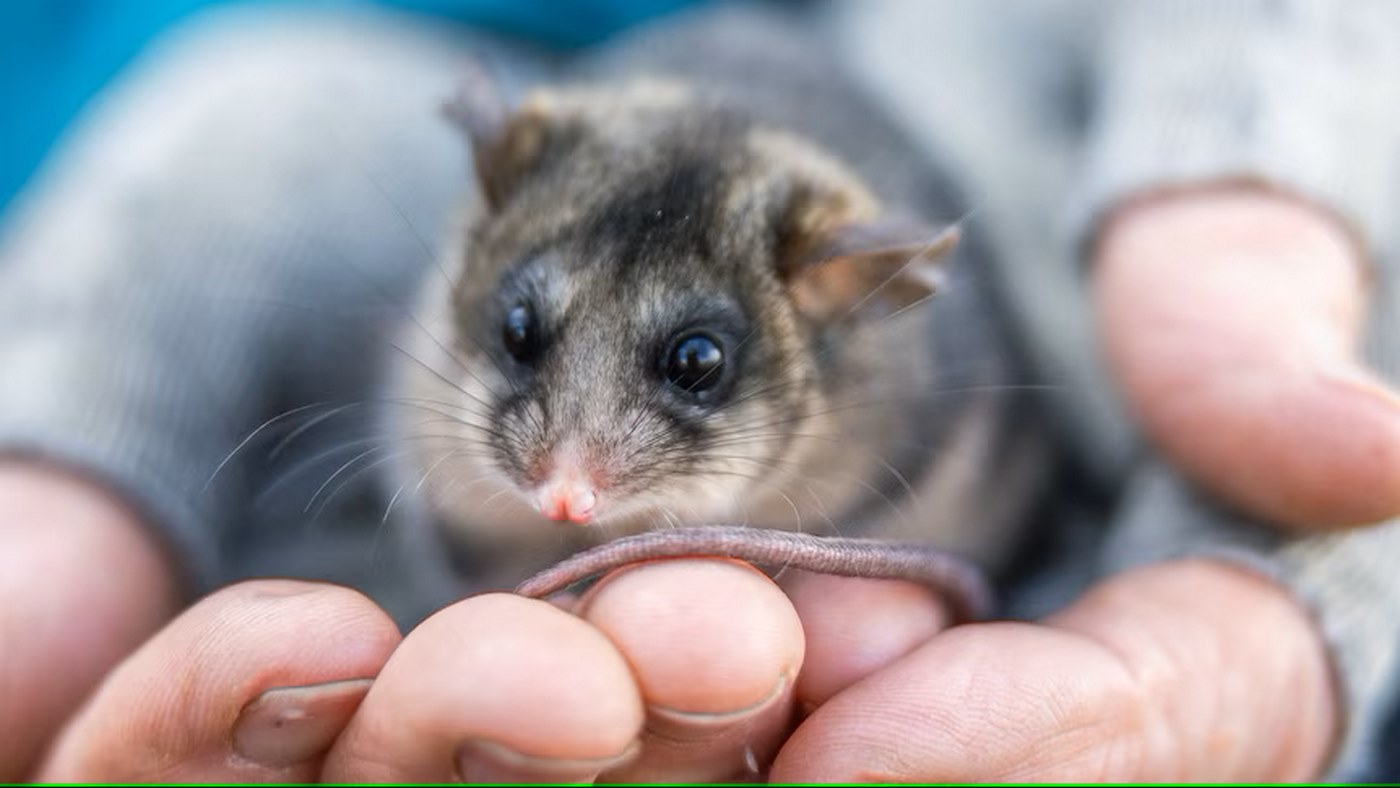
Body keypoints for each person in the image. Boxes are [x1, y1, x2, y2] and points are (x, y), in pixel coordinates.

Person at [2, 0, 1399, 781]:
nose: (568, 475)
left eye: (691, 369)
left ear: (826, 303)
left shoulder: (893, 330)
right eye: (527, 340)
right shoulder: (487, 211)